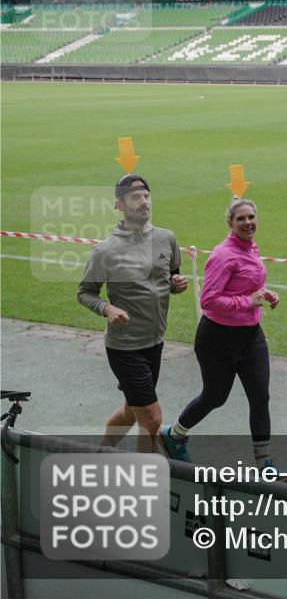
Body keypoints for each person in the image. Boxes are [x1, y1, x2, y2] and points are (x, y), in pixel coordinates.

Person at [161, 198, 280, 470]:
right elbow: (209, 300)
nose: (248, 222)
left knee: (260, 397)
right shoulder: (223, 255)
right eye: (241, 219)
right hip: (218, 338)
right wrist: (248, 301)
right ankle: (174, 435)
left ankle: (265, 464)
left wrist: (264, 294)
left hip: (251, 336)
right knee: (215, 397)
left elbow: (244, 286)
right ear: (230, 223)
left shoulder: (251, 248)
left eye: (251, 217)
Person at [78, 174, 187, 453]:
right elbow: (85, 293)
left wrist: (176, 285)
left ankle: (101, 453)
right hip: (125, 347)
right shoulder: (105, 250)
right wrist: (107, 308)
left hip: (155, 341)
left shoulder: (166, 238)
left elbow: (170, 277)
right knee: (152, 419)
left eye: (147, 196)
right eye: (136, 197)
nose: (144, 201)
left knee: (131, 409)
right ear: (119, 204)